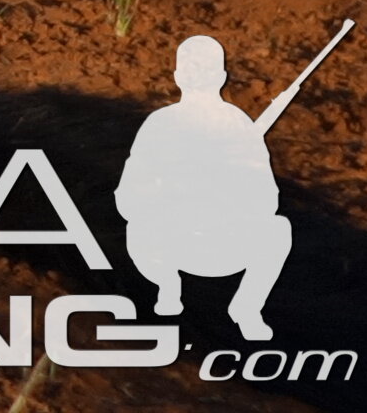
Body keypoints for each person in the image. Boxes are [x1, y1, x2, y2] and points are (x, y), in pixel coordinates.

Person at [120, 31, 304, 340]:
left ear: (179, 77)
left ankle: (243, 307)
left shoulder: (231, 126)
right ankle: (169, 288)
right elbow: (129, 198)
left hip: (215, 243)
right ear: (221, 76)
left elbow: (266, 201)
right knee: (278, 230)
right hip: (174, 242)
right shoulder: (166, 124)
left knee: (278, 229)